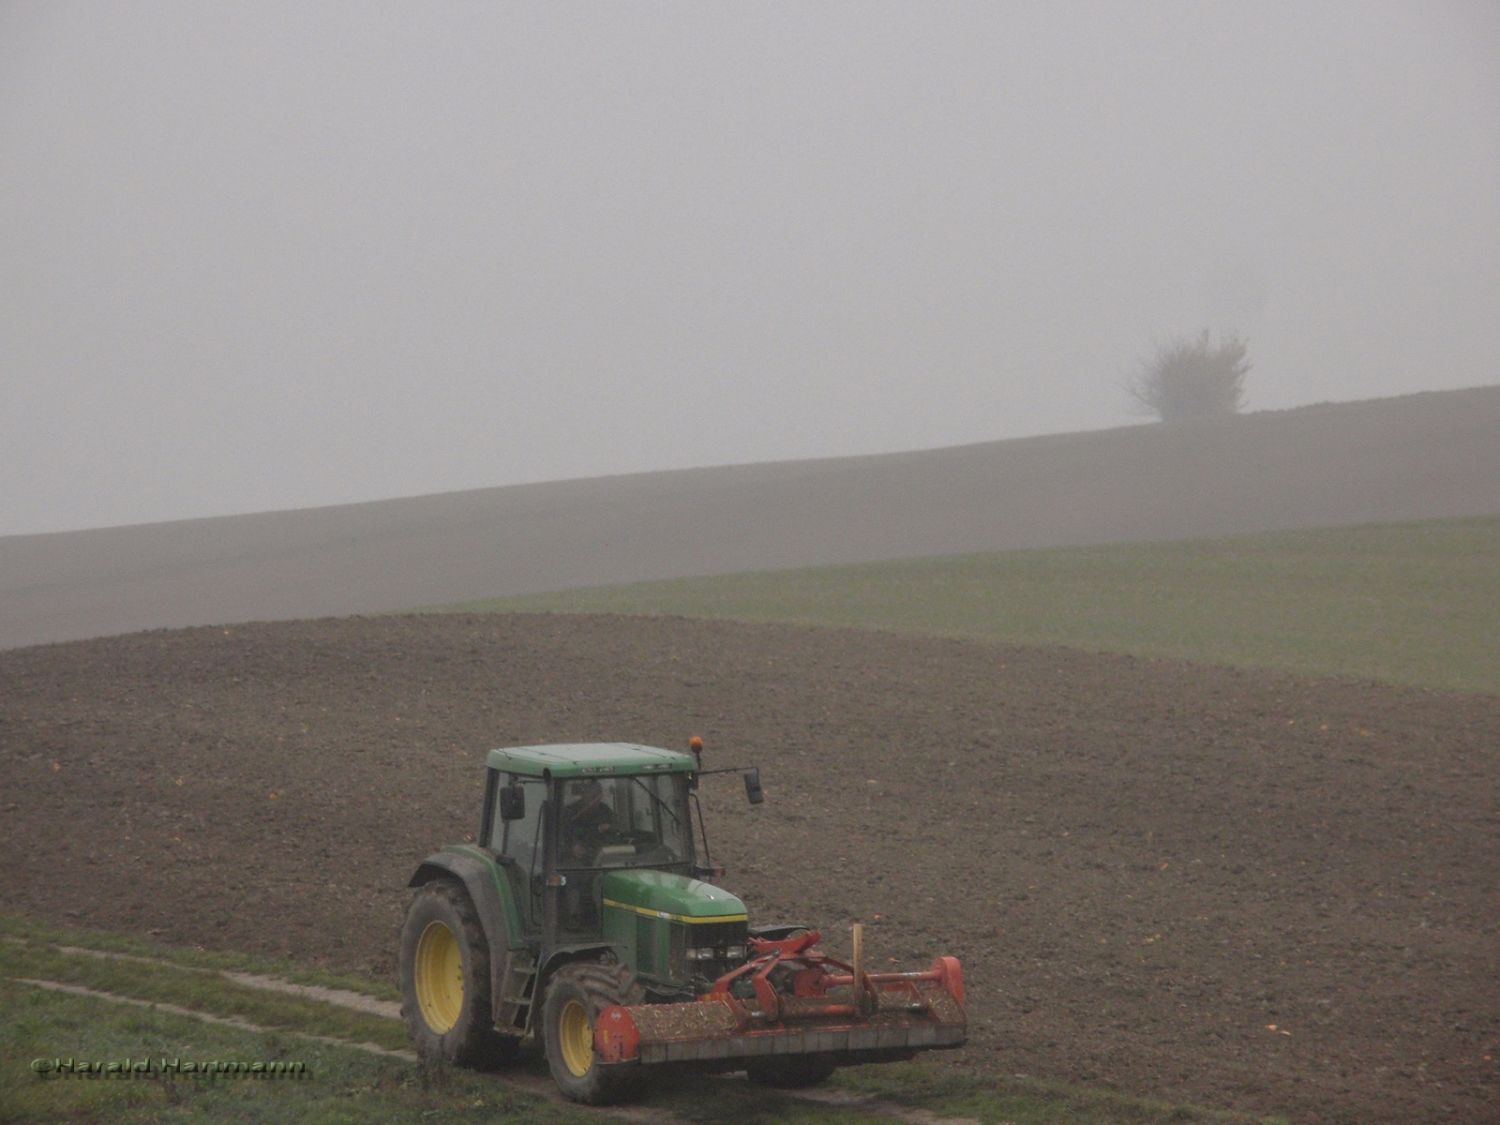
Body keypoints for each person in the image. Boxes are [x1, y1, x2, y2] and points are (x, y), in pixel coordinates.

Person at [561, 779, 614, 864]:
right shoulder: (569, 813)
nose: (594, 801)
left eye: (597, 796)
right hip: (575, 862)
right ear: (583, 795)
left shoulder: (606, 811)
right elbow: (561, 837)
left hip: (603, 857)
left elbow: (616, 830)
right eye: (591, 797)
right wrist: (571, 849)